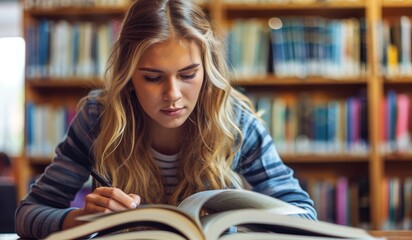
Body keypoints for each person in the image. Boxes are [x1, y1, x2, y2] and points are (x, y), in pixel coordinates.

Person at [15, 0, 317, 238]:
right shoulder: (98, 117)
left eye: (188, 75)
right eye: (152, 78)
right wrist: (79, 219)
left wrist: (239, 223)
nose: (172, 94)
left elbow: (304, 215)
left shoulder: (236, 123)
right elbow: (28, 214)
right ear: (129, 76)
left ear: (207, 70)